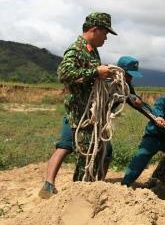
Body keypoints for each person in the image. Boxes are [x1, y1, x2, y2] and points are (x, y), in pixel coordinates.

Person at [38, 53, 149, 198]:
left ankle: (98, 184)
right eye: (128, 74)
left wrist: (147, 110)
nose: (130, 78)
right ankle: (49, 184)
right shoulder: (101, 77)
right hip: (78, 116)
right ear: (119, 70)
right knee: (65, 146)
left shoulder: (125, 87)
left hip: (99, 123)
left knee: (106, 151)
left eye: (132, 76)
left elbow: (136, 101)